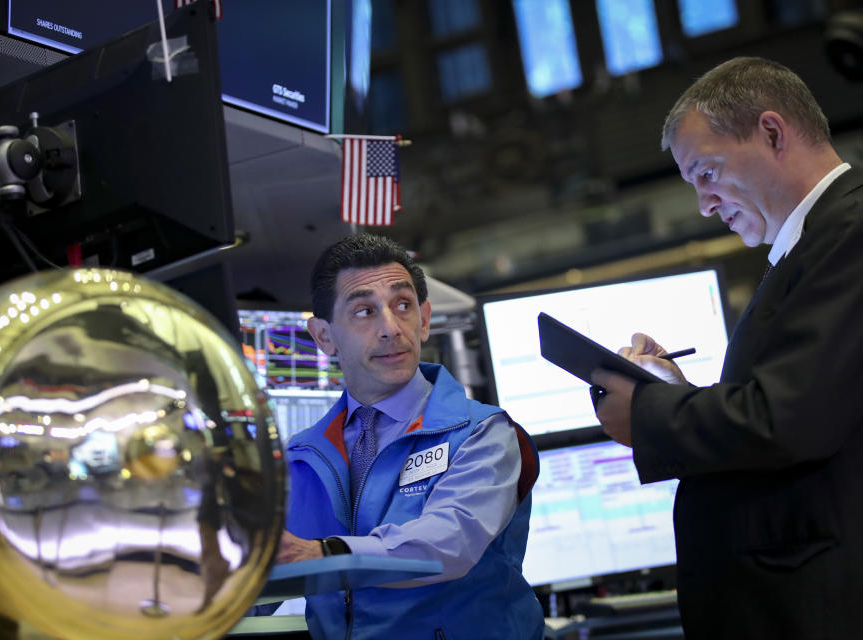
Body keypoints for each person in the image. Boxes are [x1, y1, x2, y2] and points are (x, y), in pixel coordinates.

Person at [592, 56, 863, 639]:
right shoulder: (818, 241)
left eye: (707, 173)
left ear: (771, 133)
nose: (704, 205)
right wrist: (676, 392)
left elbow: (786, 420)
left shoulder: (852, 228)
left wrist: (645, 414)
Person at [277, 233, 544, 639]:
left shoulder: (483, 434)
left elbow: (445, 546)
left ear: (423, 320)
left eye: (403, 306)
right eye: (364, 311)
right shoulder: (301, 457)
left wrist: (322, 556)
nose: (390, 328)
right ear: (324, 336)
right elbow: (257, 579)